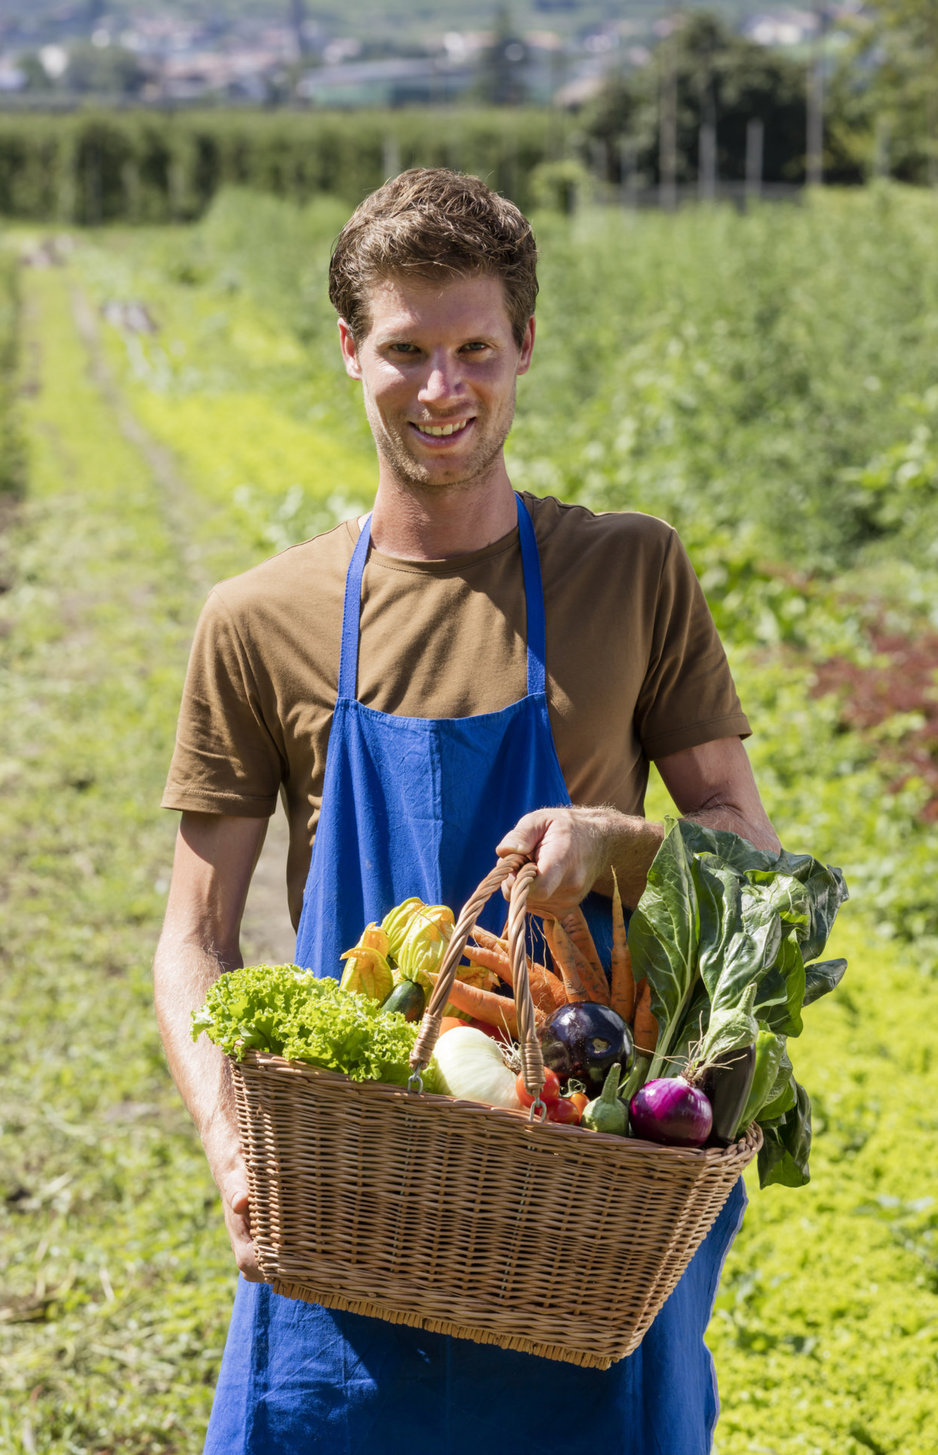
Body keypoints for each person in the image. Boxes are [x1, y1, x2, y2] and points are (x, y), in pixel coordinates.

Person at [153, 167, 780, 1455]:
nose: (442, 390)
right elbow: (193, 938)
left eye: (475, 349)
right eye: (406, 351)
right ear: (348, 352)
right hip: (351, 1180)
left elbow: (750, 850)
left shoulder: (629, 570)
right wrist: (237, 1148)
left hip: (581, 1193)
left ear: (525, 346)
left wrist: (626, 844)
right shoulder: (258, 618)